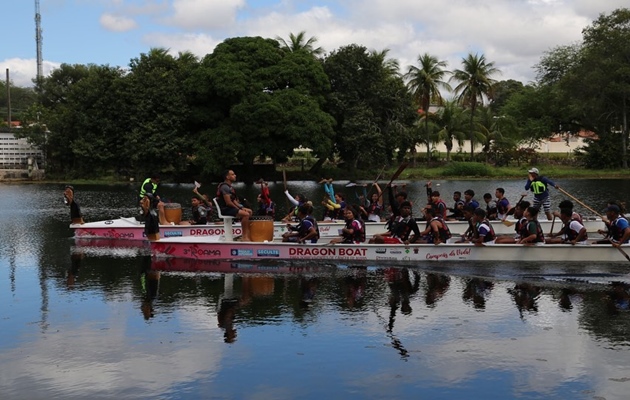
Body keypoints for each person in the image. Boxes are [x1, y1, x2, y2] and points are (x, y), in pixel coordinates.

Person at [216, 170, 253, 241]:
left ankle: (248, 234)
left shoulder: (230, 187)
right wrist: (240, 209)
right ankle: (244, 237)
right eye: (233, 174)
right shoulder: (224, 187)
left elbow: (234, 200)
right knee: (245, 214)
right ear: (227, 177)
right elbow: (228, 202)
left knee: (249, 211)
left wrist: (241, 207)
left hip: (230, 208)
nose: (235, 175)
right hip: (225, 209)